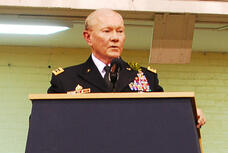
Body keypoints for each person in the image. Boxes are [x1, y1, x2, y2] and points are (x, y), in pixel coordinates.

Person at [48, 8, 206, 127]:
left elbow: (162, 115)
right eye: (107, 31)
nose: (115, 38)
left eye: (120, 31)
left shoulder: (145, 76)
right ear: (88, 37)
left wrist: (188, 116)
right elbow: (45, 123)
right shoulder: (65, 79)